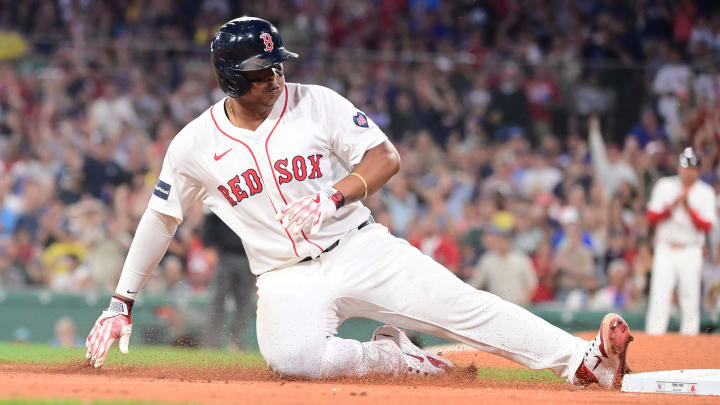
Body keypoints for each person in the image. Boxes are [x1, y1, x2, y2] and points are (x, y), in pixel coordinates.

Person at [84, 17, 633, 389]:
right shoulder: (194, 145)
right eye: (261, 70)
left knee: (463, 306)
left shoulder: (315, 103)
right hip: (283, 276)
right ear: (231, 78)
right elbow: (162, 218)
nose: (276, 75)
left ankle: (584, 363)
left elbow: (385, 156)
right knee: (292, 360)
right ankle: (395, 358)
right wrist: (121, 301)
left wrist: (335, 193)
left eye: (278, 64)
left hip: (357, 246)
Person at [645, 147, 717, 335]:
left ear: (698, 170)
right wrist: (672, 206)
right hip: (665, 247)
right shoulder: (665, 185)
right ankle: (654, 337)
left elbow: (707, 226)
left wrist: (688, 207)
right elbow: (651, 217)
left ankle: (689, 339)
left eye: (692, 168)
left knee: (690, 296)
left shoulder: (705, 192)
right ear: (678, 167)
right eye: (684, 167)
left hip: (690, 249)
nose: (687, 171)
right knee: (660, 295)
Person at [202, 212, 255, 348]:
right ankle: (212, 342)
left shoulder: (253, 200)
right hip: (224, 255)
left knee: (244, 303)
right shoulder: (223, 194)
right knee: (217, 300)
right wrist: (208, 244)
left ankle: (236, 342)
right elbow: (210, 217)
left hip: (248, 258)